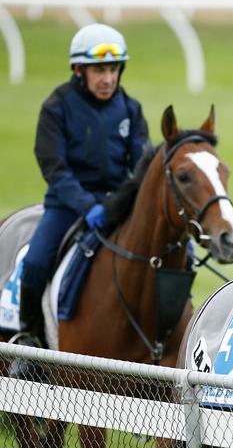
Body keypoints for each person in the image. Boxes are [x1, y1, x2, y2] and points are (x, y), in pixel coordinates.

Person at [11, 23, 151, 364]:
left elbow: (144, 163)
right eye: (98, 70)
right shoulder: (56, 106)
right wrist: (87, 204)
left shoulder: (130, 109)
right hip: (67, 206)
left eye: (113, 69)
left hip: (116, 205)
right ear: (79, 70)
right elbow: (53, 167)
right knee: (35, 262)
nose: (107, 78)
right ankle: (28, 336)